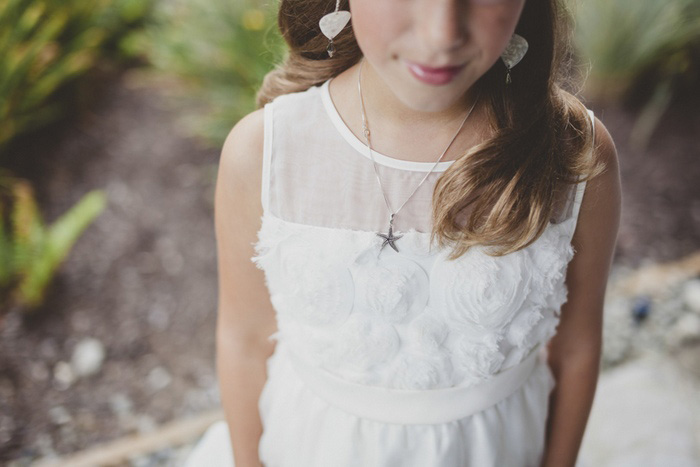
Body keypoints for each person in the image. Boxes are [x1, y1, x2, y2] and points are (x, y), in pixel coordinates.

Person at [184, 0, 621, 465]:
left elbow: (576, 348)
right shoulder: (266, 150)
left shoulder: (574, 157)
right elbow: (244, 340)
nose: (441, 34)